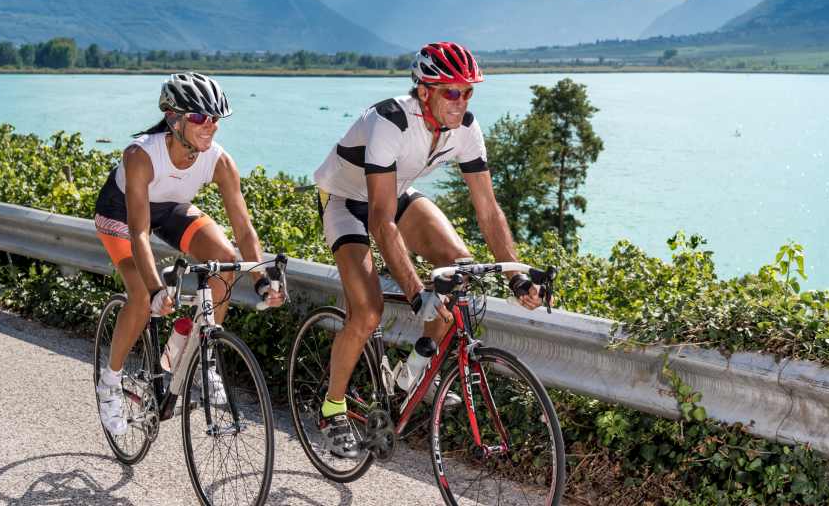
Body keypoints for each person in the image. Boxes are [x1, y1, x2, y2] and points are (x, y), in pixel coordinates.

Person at [313, 41, 544, 457]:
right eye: (451, 91)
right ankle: (332, 409)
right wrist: (417, 292)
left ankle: (415, 369)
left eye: (468, 91)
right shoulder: (389, 121)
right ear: (424, 91)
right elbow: (380, 220)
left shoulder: (466, 129)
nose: (461, 101)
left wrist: (516, 274)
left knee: (459, 269)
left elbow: (489, 211)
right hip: (347, 201)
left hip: (395, 193)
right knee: (367, 312)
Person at [94, 72, 284, 436]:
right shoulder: (140, 154)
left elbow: (244, 230)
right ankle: (110, 382)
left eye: (214, 118)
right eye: (199, 117)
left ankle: (199, 356)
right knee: (140, 295)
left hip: (171, 210)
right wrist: (155, 289)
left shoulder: (219, 160)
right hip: (121, 216)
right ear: (173, 118)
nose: (209, 125)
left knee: (224, 260)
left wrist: (262, 279)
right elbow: (139, 231)